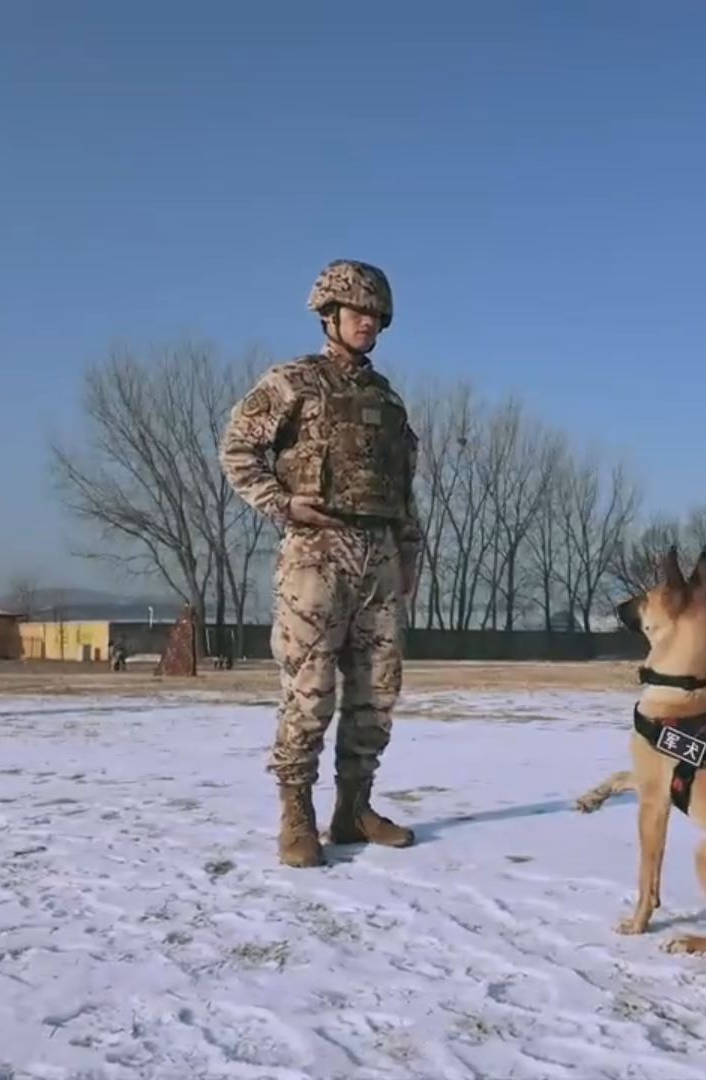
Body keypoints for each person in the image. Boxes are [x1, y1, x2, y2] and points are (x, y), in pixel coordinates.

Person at [219, 259, 423, 868]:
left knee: (377, 693)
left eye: (376, 316)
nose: (368, 323)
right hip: (317, 554)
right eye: (358, 312)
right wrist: (282, 504)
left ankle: (353, 808)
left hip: (379, 559)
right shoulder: (292, 382)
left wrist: (408, 555)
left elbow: (405, 487)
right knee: (309, 690)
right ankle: (296, 813)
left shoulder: (387, 400)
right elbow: (238, 450)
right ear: (329, 315)